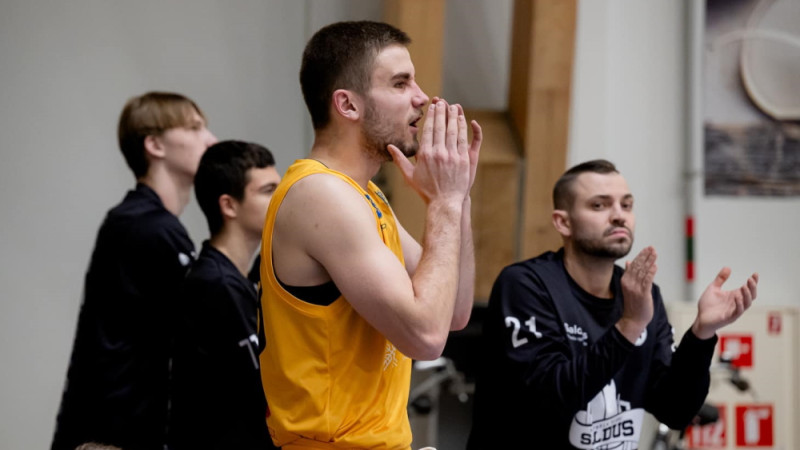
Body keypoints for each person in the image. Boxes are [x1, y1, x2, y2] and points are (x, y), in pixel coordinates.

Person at [258, 21, 482, 449]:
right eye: (400, 83)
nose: (421, 97)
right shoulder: (321, 193)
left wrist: (458, 197)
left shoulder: (367, 194)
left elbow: (453, 312)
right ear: (348, 105)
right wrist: (444, 204)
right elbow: (426, 337)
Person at [467, 159, 759, 449]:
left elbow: (675, 410)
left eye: (627, 205)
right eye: (599, 205)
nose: (619, 216)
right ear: (563, 222)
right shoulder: (526, 285)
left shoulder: (643, 295)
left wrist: (700, 335)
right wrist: (629, 326)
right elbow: (549, 398)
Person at [52, 92, 217, 450]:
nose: (211, 139)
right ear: (155, 144)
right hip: (115, 434)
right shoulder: (146, 226)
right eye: (193, 128)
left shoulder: (141, 221)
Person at [169, 140, 281, 450]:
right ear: (229, 205)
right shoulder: (215, 285)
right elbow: (261, 388)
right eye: (268, 190)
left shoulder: (233, 279)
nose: (282, 199)